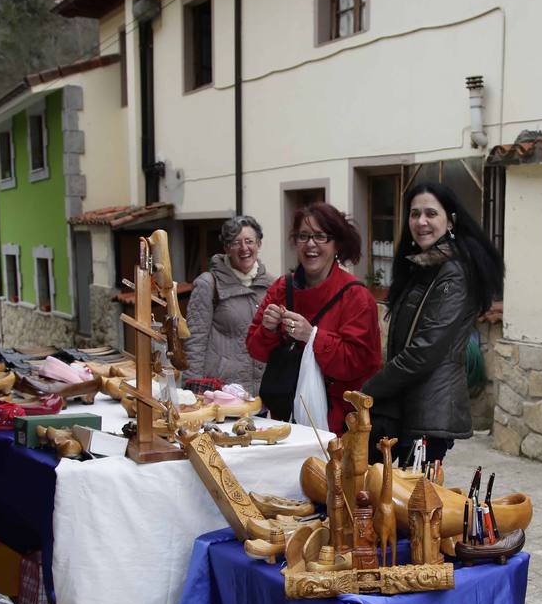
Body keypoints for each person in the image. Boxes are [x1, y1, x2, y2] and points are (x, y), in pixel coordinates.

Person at [362, 182, 504, 466]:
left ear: (450, 220)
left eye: (431, 213)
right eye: (415, 214)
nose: (421, 221)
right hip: (409, 408)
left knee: (415, 505)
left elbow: (423, 351)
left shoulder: (454, 273)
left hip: (428, 413)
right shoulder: (423, 267)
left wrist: (369, 389)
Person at [246, 202, 381, 433]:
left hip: (337, 425)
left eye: (320, 236)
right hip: (284, 420)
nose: (310, 244)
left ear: (336, 243)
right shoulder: (281, 287)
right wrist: (268, 329)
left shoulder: (356, 296)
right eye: (303, 236)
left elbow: (360, 363)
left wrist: (313, 336)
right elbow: (255, 350)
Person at [183, 215, 273, 392]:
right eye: (236, 243)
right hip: (220, 391)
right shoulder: (208, 284)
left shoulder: (272, 285)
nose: (244, 248)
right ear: (226, 248)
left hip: (261, 393)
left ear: (259, 244)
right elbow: (194, 343)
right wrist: (192, 390)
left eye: (249, 241)